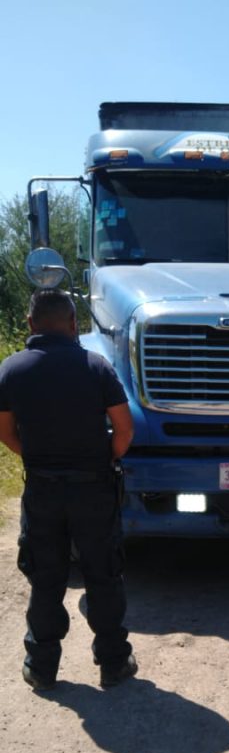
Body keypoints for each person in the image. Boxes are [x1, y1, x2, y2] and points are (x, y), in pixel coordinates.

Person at [0, 288, 138, 690]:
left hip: (43, 490)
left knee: (46, 578)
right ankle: (113, 663)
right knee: (103, 574)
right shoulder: (96, 367)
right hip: (93, 489)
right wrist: (105, 458)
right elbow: (124, 429)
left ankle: (41, 667)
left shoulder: (11, 370)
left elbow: (5, 432)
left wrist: (37, 458)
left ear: (30, 323)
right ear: (74, 323)